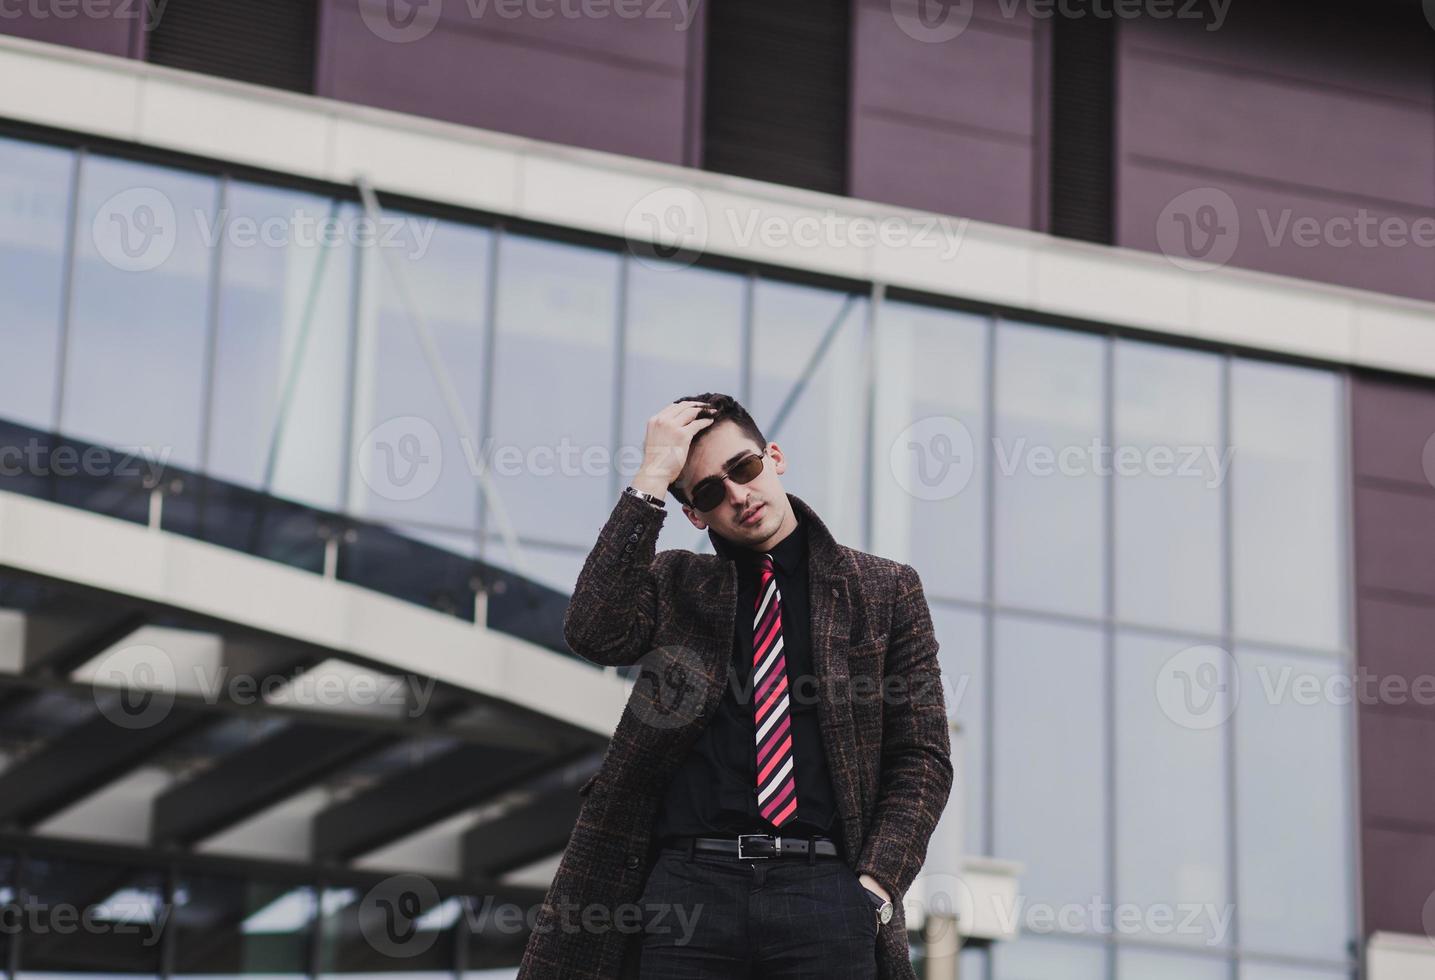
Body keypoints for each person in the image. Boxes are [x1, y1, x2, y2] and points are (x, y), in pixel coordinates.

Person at [515, 394, 953, 980]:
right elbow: (594, 630)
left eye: (743, 469)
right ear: (695, 514)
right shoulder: (677, 582)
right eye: (710, 492)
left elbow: (921, 755)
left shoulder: (883, 590)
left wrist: (875, 886)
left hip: (826, 894)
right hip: (688, 894)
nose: (738, 496)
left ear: (774, 457)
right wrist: (651, 478)